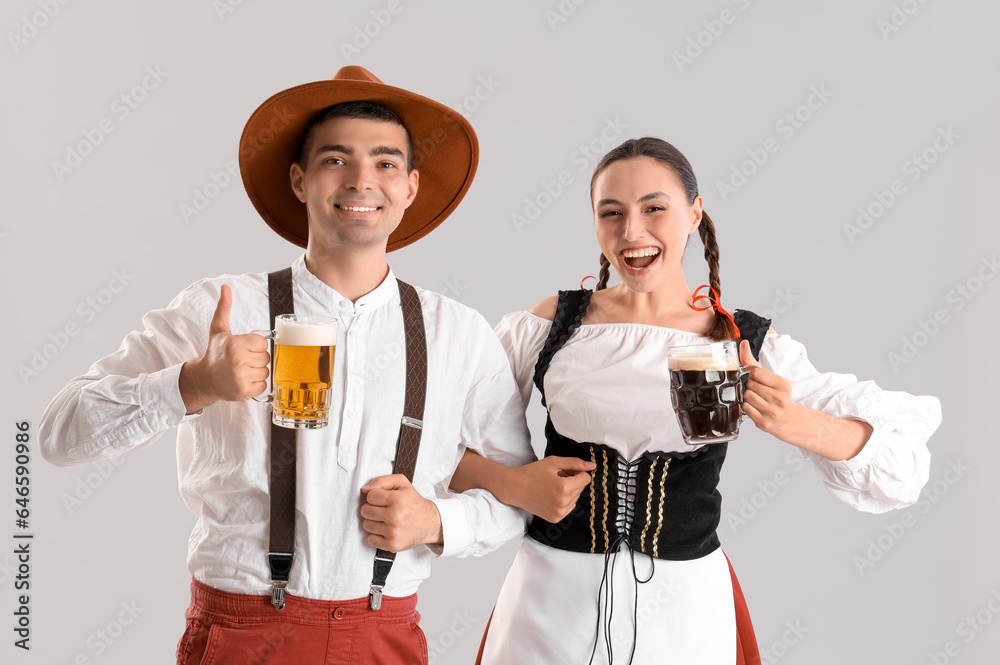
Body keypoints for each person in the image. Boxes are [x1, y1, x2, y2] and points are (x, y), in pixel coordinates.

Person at [39, 66, 533, 665]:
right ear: (300, 181)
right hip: (244, 632)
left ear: (409, 186)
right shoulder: (221, 306)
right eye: (335, 160)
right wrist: (192, 384)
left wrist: (436, 521)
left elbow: (517, 492)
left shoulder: (458, 332)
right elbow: (60, 435)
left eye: (385, 163)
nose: (360, 180)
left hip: (385, 636)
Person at [450, 137, 943, 664]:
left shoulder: (741, 341)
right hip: (549, 597)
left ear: (694, 213)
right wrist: (515, 484)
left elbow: (901, 466)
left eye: (654, 208)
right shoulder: (550, 326)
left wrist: (792, 421)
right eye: (610, 213)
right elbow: (430, 437)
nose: (632, 232)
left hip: (685, 608)